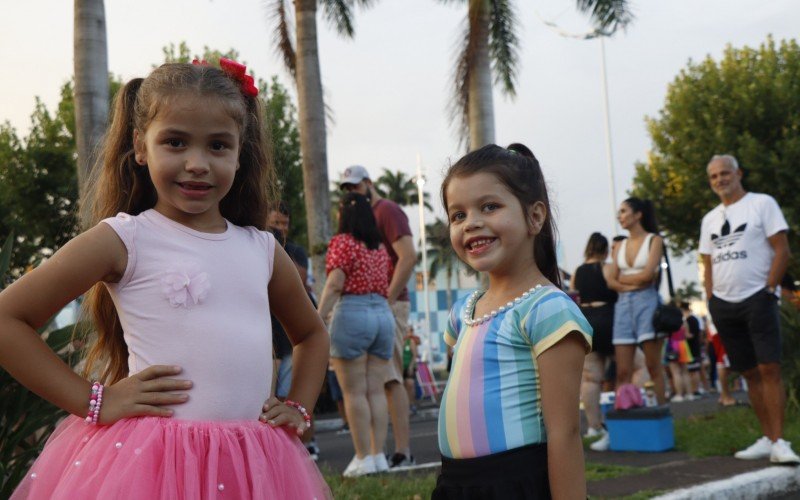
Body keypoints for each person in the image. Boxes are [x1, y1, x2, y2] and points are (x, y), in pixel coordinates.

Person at [0, 60, 331, 499]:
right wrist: (94, 401)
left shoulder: (263, 249)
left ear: (239, 151)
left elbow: (311, 334)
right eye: (175, 142)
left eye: (218, 146)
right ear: (141, 146)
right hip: (152, 467)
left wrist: (299, 411)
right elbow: (8, 318)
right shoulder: (126, 239)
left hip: (252, 464)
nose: (197, 163)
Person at [434, 143, 592, 499]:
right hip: (456, 483)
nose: (471, 223)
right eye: (457, 215)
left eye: (489, 207)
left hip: (514, 483)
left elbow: (564, 433)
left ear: (535, 217)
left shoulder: (547, 309)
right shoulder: (462, 312)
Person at [700, 154, 798, 464]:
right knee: (749, 373)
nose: (720, 180)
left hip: (758, 296)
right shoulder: (709, 219)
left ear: (739, 173)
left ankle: (780, 441)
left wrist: (770, 288)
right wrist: (711, 297)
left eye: (725, 173)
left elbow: (782, 249)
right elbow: (707, 262)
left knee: (769, 368)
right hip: (724, 306)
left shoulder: (762, 203)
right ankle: (768, 438)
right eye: (714, 176)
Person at [339, 165, 416, 468]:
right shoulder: (363, 218)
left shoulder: (387, 210)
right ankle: (375, 453)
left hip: (387, 304)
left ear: (369, 184)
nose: (351, 192)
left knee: (391, 377)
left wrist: (386, 298)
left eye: (355, 186)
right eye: (346, 188)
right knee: (376, 382)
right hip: (372, 305)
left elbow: (408, 257)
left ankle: (402, 450)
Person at [317, 192, 396, 477]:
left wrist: (317, 317)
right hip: (382, 315)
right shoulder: (379, 248)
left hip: (353, 312)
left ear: (343, 214)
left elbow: (336, 283)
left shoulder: (343, 243)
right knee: (376, 390)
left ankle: (362, 457)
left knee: (353, 392)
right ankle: (378, 455)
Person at [608, 197, 667, 405]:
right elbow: (611, 281)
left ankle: (662, 412)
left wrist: (624, 280)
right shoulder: (620, 245)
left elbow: (648, 275)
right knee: (623, 370)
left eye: (623, 211)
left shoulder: (654, 240)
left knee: (653, 366)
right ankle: (624, 419)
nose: (620, 216)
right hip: (623, 305)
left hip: (647, 302)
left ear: (638, 214)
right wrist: (634, 282)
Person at [571, 232, 617, 452]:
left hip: (586, 320)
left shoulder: (577, 272)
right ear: (605, 250)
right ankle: (628, 415)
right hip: (608, 317)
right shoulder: (607, 268)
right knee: (633, 366)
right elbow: (616, 287)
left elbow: (574, 295)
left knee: (589, 378)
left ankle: (593, 426)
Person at [402, 325, 421, 415]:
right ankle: (405, 406)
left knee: (410, 385)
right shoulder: (399, 341)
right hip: (401, 367)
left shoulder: (411, 342)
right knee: (402, 387)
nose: (409, 332)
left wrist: (410, 366)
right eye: (408, 330)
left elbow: (415, 355)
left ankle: (412, 405)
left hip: (409, 367)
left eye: (410, 330)